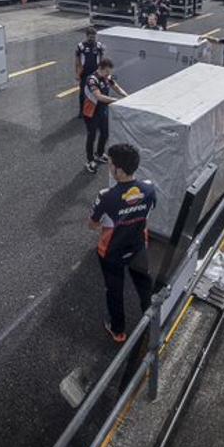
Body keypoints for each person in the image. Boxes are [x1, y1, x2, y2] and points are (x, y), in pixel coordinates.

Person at [88, 143, 157, 343]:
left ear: (118, 169)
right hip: (138, 246)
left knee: (115, 291)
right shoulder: (150, 188)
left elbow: (92, 225)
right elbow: (149, 211)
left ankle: (118, 331)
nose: (109, 168)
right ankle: (153, 320)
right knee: (144, 285)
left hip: (111, 252)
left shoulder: (106, 196)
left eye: (110, 164)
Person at [83, 58, 127, 173]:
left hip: (103, 109)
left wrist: (126, 96)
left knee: (105, 133)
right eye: (107, 71)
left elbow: (116, 87)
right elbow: (99, 97)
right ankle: (90, 160)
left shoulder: (107, 77)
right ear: (101, 69)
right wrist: (116, 100)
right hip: (91, 111)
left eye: (110, 72)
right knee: (91, 136)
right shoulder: (92, 80)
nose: (109, 74)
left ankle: (100, 153)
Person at [75, 27, 105, 118]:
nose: (92, 39)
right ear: (86, 36)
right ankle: (81, 111)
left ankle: (98, 110)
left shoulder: (99, 45)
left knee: (98, 91)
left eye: (94, 37)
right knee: (82, 93)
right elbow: (77, 61)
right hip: (85, 72)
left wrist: (102, 72)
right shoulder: (80, 46)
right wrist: (77, 73)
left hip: (96, 72)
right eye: (91, 37)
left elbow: (102, 59)